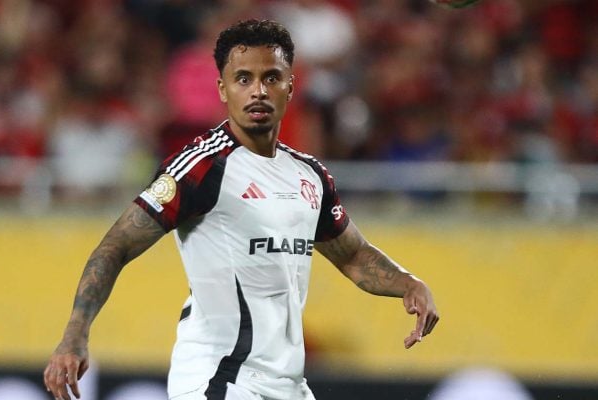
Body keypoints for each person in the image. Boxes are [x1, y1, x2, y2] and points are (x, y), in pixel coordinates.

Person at [43, 19, 439, 400]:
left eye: (271, 78)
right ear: (223, 88)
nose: (258, 91)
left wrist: (409, 284)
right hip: (218, 379)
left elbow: (353, 256)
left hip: (287, 386)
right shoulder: (200, 167)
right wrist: (75, 333)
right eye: (243, 79)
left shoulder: (310, 175)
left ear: (290, 86)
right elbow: (115, 247)